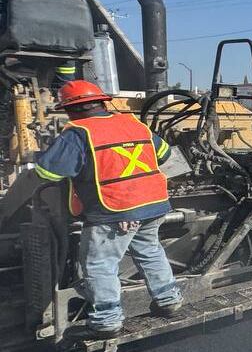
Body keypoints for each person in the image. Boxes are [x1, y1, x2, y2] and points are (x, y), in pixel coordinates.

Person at [32, 80, 183, 337]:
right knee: (149, 250)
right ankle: (169, 300)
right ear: (103, 102)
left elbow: (47, 171)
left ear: (70, 110)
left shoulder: (78, 132)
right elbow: (166, 155)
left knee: (99, 265)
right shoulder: (133, 123)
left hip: (114, 210)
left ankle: (107, 320)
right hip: (153, 205)